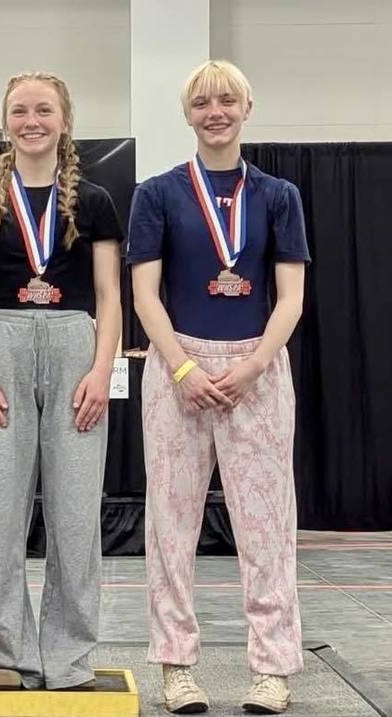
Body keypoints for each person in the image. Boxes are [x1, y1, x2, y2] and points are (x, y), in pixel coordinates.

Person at [128, 60, 308, 714]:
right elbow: (145, 294)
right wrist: (180, 366)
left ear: (247, 107)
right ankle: (176, 667)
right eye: (202, 102)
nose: (215, 111)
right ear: (188, 113)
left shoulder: (278, 195)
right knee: (171, 524)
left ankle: (273, 667)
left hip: (255, 366)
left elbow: (289, 297)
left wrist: (255, 364)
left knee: (266, 525)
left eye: (227, 100)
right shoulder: (157, 194)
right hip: (179, 365)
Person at [0, 72, 122, 690]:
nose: (32, 120)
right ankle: (3, 652)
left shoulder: (95, 201)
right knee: (1, 510)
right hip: (1, 344)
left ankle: (69, 656)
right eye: (20, 110)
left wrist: (103, 370)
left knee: (77, 514)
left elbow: (110, 296)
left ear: (64, 120)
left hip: (77, 343)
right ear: (6, 121)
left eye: (44, 110)